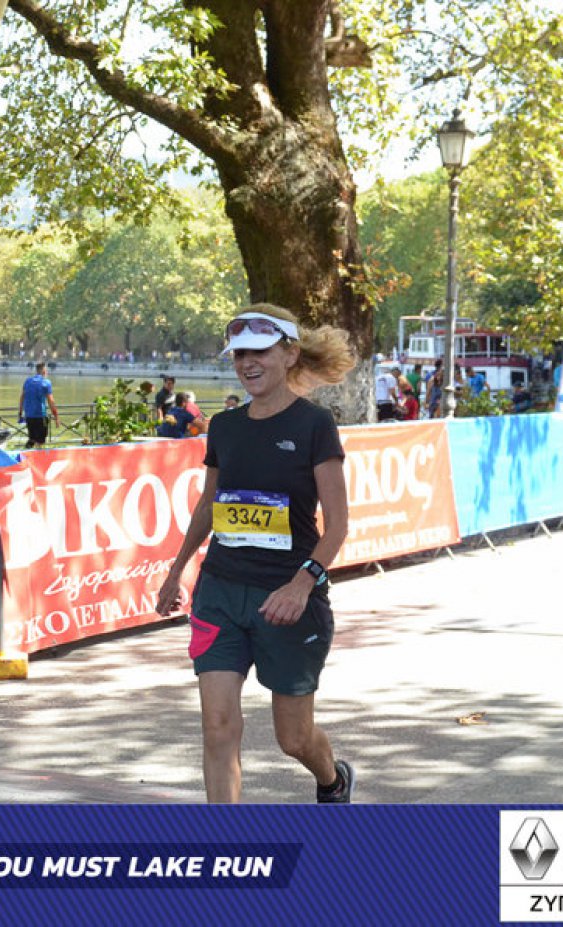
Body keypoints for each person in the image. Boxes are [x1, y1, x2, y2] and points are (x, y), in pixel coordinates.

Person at [155, 304, 356, 804]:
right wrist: (177, 570)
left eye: (259, 352)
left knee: (294, 738)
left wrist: (301, 584)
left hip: (287, 600)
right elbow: (210, 505)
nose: (247, 363)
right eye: (239, 354)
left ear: (289, 354)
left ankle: (332, 779)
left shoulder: (314, 424)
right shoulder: (225, 426)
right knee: (218, 727)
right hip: (219, 592)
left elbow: (338, 525)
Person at [18, 362, 60, 449]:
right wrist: (56, 417)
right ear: (44, 371)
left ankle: (26, 451)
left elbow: (22, 397)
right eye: (46, 371)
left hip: (29, 416)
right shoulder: (46, 383)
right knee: (40, 442)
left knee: (32, 438)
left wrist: (20, 413)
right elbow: (51, 402)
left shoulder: (27, 381)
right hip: (40, 416)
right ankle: (34, 454)